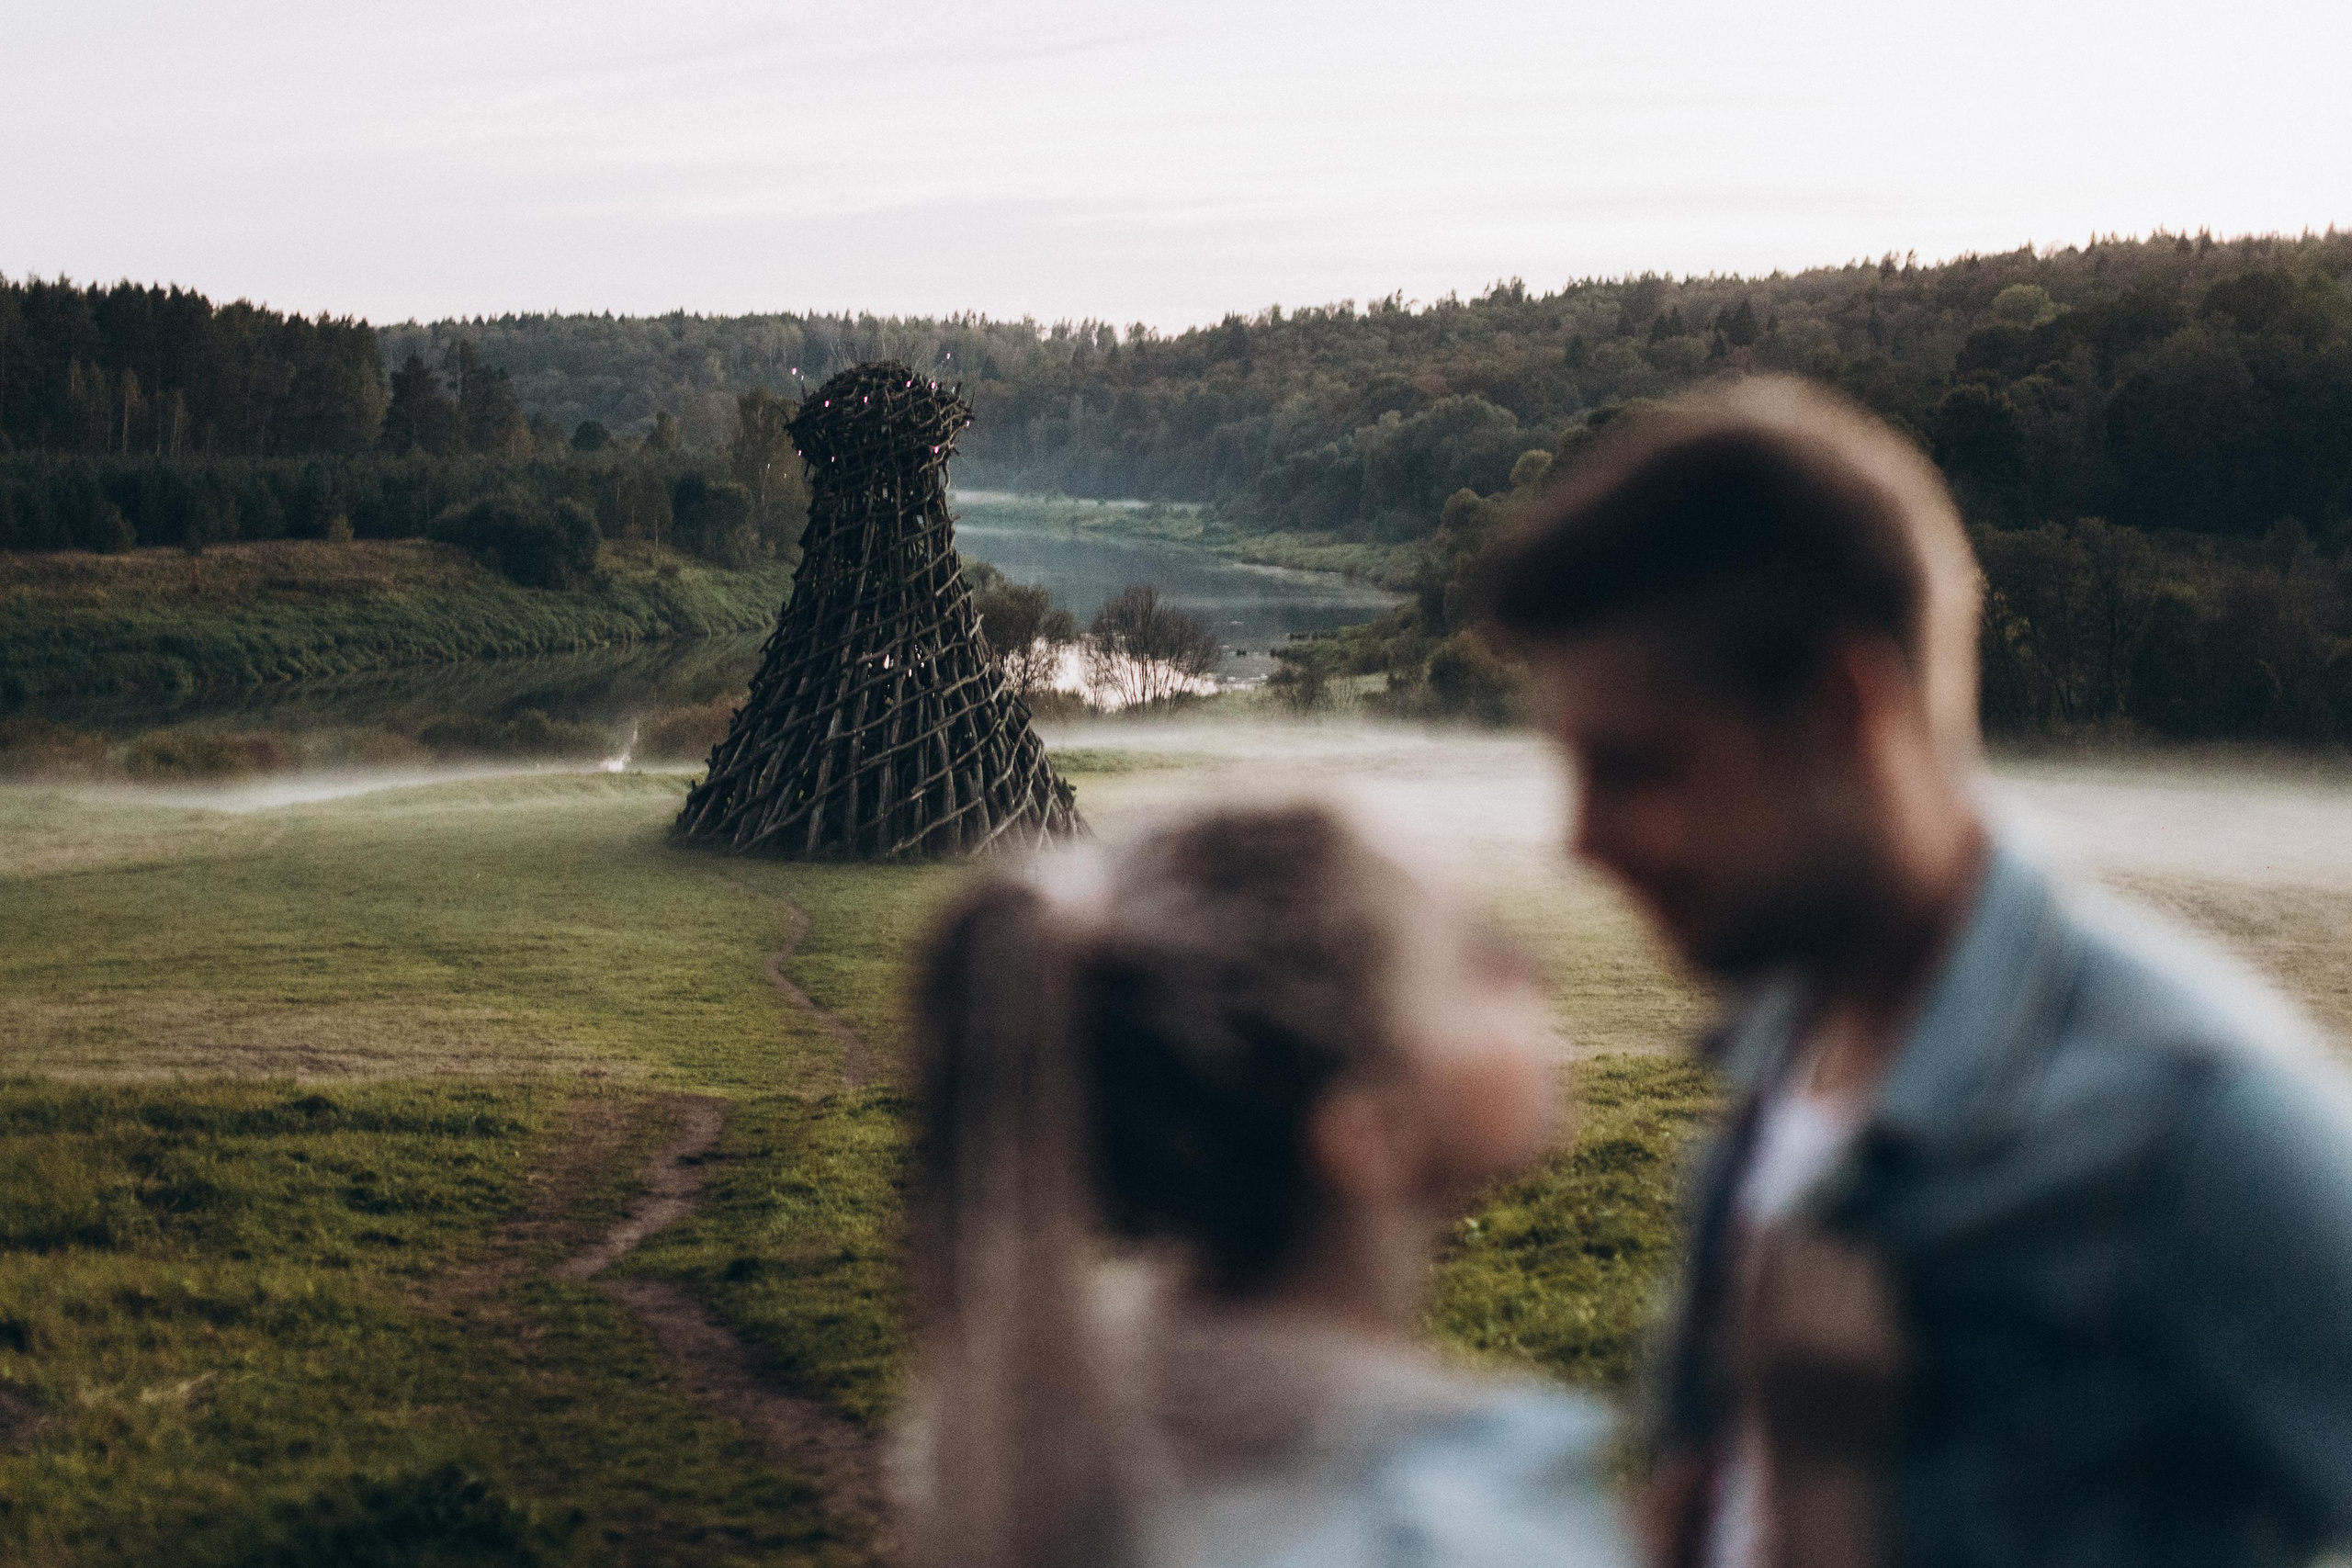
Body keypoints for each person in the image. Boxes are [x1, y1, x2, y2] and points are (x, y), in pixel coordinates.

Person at [1475, 376, 2352, 1568]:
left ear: (1842, 707)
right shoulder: (1776, 1061)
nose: (1581, 836)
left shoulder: (2196, 1126)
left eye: (1636, 768)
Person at [895, 803, 1633, 1568]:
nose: (1528, 967)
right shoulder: (1455, 1525)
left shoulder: (1057, 1436)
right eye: (1473, 960)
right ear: (1371, 1132)